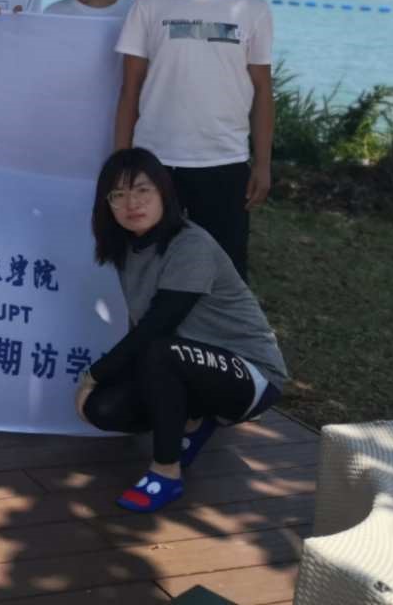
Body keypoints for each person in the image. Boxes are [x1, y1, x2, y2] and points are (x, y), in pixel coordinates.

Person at [77, 147, 287, 514]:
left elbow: (157, 325)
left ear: (164, 191)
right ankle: (194, 422)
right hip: (190, 363)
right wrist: (104, 385)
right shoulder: (129, 248)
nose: (132, 203)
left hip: (251, 374)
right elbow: (141, 325)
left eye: (142, 190)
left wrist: (94, 374)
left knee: (158, 351)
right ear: (106, 205)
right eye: (118, 195)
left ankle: (166, 472)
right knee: (103, 408)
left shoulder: (191, 245)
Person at [113, 0, 273, 281]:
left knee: (223, 274)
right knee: (147, 268)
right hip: (155, 160)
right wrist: (121, 162)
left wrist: (263, 164)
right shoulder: (149, 5)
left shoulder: (252, 9)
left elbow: (263, 91)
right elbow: (130, 89)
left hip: (224, 161)